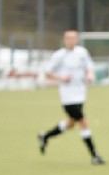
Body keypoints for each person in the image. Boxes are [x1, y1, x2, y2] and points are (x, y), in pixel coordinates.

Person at [37, 29, 104, 165]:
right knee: (83, 122)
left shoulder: (82, 52)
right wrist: (61, 78)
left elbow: (89, 67)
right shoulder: (59, 55)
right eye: (68, 38)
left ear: (77, 39)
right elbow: (48, 73)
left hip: (80, 93)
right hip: (67, 96)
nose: (71, 40)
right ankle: (94, 155)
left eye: (73, 38)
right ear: (64, 40)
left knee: (71, 123)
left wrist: (90, 75)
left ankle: (45, 136)